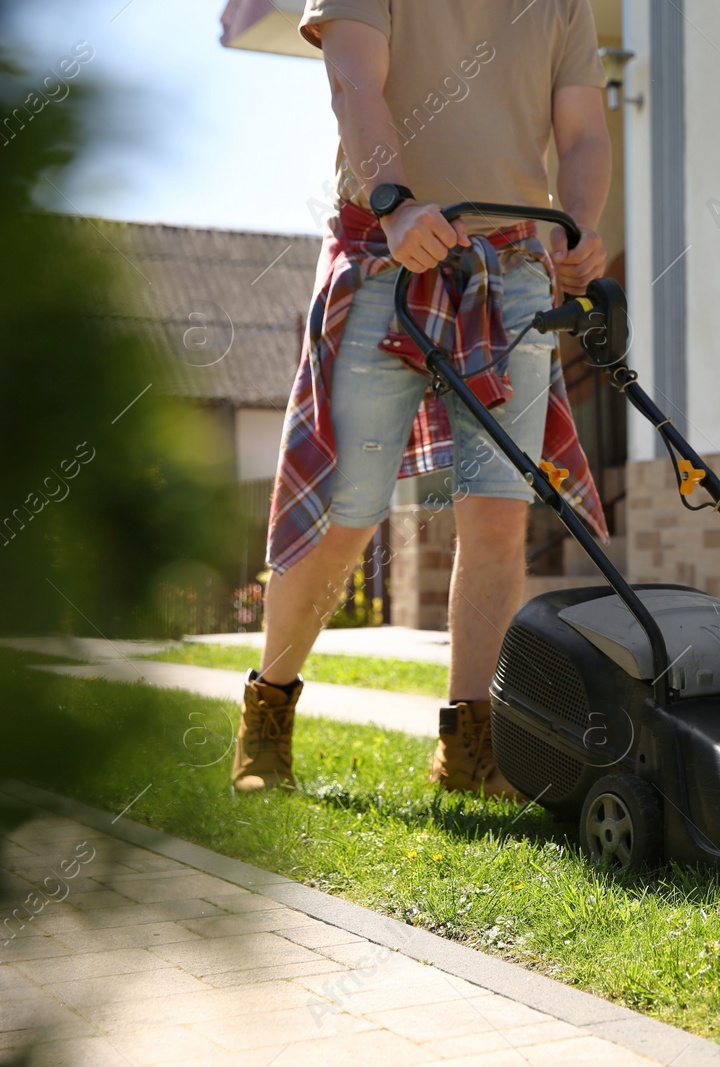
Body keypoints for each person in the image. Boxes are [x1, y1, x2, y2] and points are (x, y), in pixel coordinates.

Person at [232, 0, 613, 797]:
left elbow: (582, 134)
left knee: (499, 515)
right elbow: (353, 85)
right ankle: (267, 711)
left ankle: (471, 745)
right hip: (386, 252)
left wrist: (577, 228)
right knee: (348, 510)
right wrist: (396, 202)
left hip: (510, 267)